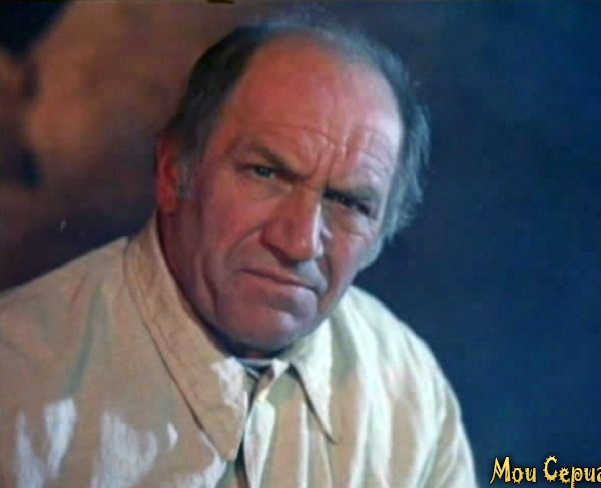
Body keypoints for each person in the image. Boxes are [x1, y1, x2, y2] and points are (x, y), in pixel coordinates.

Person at [0, 18, 477, 488]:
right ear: (173, 172)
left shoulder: (410, 388)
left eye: (349, 203)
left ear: (381, 235)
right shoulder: (16, 380)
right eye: (265, 173)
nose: (299, 243)